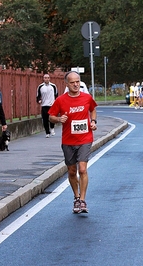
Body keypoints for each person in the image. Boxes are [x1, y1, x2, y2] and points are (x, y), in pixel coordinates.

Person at [48, 71, 97, 214]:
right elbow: (51, 116)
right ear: (67, 84)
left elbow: (93, 110)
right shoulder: (61, 100)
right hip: (68, 140)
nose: (76, 85)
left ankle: (82, 200)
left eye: (78, 82)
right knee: (71, 171)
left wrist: (93, 122)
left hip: (85, 139)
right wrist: (58, 119)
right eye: (73, 82)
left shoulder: (87, 98)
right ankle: (76, 197)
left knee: (82, 169)